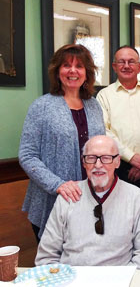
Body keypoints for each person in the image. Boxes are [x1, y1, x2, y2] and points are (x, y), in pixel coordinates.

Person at [19, 44, 105, 242]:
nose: (73, 71)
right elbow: (27, 154)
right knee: (56, 267)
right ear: (58, 72)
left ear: (87, 73)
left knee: (88, 261)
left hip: (90, 199)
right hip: (53, 199)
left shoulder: (94, 106)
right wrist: (57, 185)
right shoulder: (41, 106)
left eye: (79, 66)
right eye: (66, 65)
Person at [35, 135, 140, 268]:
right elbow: (46, 256)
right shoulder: (68, 197)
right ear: (84, 163)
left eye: (106, 158)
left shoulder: (136, 197)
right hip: (73, 279)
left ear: (117, 162)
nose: (98, 165)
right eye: (91, 158)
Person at [97, 45, 140, 234]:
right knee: (119, 220)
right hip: (119, 167)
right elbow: (105, 131)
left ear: (139, 66)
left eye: (131, 62)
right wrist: (132, 158)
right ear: (114, 66)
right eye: (121, 61)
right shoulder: (104, 96)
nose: (126, 65)